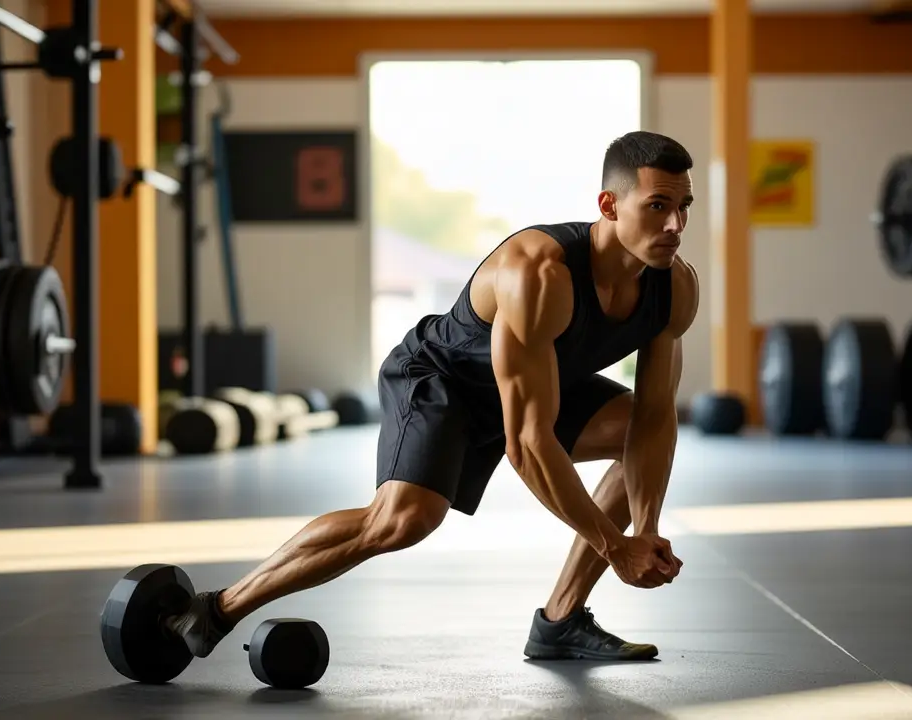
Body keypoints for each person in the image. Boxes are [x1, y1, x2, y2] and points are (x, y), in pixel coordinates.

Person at [166, 130, 700, 662]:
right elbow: (529, 445)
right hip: (445, 381)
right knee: (402, 521)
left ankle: (560, 622)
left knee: (631, 424)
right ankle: (217, 609)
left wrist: (645, 531)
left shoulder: (674, 288)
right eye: (657, 206)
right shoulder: (539, 273)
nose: (675, 225)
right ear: (608, 204)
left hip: (541, 384)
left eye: (683, 207)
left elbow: (653, 418)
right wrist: (615, 547)